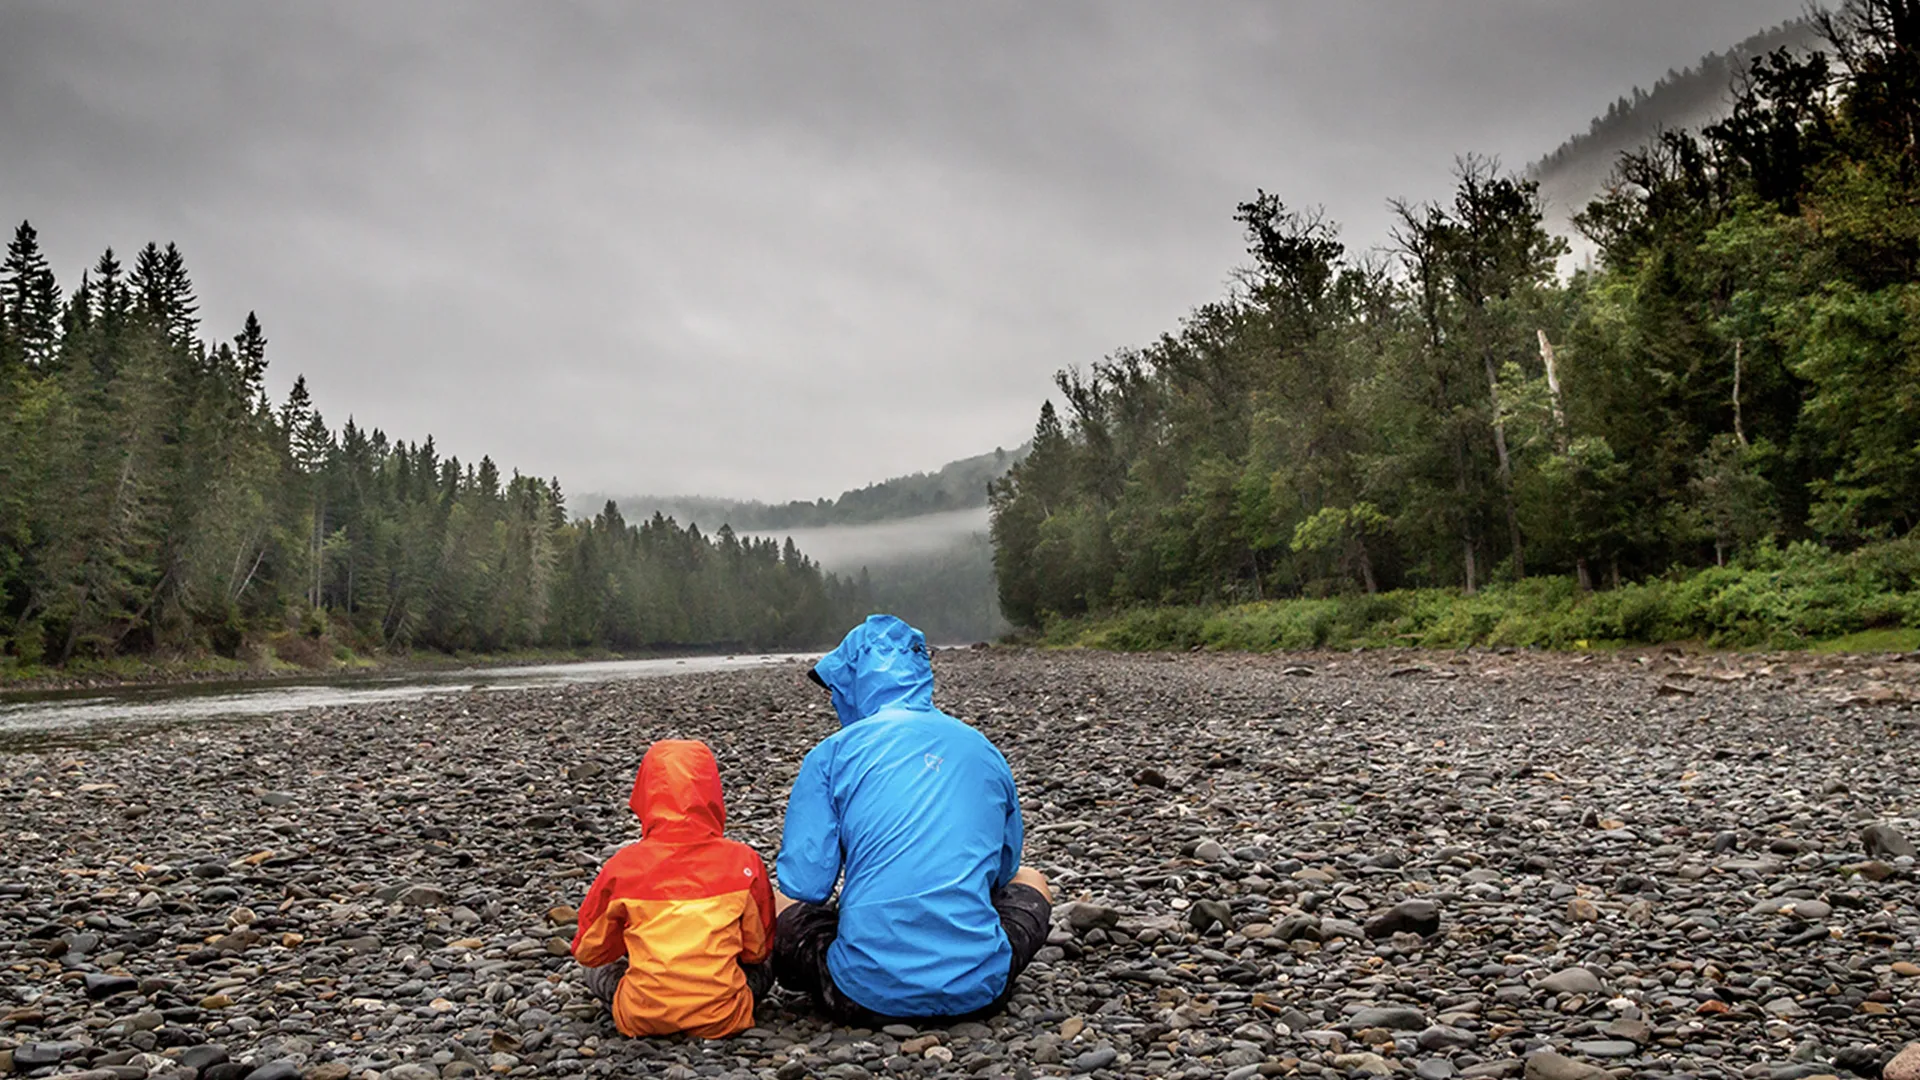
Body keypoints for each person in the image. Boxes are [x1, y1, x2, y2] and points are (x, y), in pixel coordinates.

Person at [772, 614, 1053, 1024]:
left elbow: (805, 885)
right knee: (1033, 880)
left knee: (776, 898)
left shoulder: (831, 755)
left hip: (862, 996)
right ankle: (964, 957)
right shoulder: (983, 749)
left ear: (852, 682)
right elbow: (1005, 870)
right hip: (979, 992)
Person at [571, 739, 775, 1039]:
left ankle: (653, 995)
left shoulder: (622, 867)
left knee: (595, 969)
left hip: (641, 1017)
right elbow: (756, 951)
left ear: (644, 793)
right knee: (770, 955)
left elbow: (589, 951)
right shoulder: (743, 861)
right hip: (724, 1016)